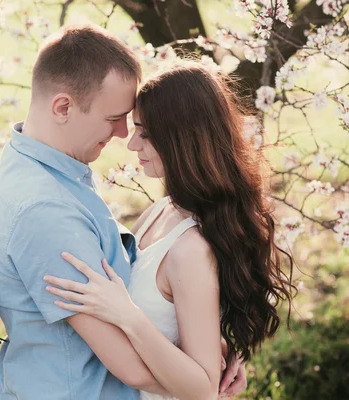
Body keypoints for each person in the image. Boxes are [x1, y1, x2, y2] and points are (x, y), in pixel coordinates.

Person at [0, 25, 246, 400]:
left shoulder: (38, 165)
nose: (125, 134)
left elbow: (152, 285)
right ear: (63, 107)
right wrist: (204, 381)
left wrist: (203, 344)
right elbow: (135, 369)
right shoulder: (46, 210)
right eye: (113, 118)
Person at [44, 63, 295, 400]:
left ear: (182, 138)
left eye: (145, 133)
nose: (132, 144)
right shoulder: (162, 211)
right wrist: (215, 347)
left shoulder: (191, 250)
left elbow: (204, 390)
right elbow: (177, 321)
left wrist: (128, 316)